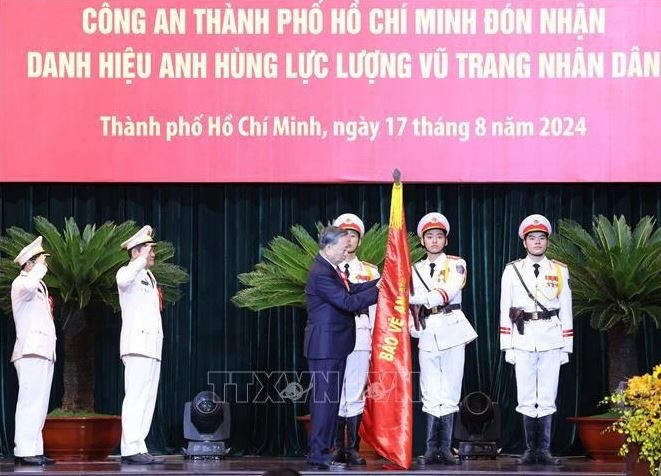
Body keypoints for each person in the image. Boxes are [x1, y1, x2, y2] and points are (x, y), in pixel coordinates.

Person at [499, 214, 573, 466]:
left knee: (548, 395)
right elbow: (504, 307)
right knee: (526, 395)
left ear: (547, 242)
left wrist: (567, 346)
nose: (537, 242)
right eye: (532, 238)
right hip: (522, 337)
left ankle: (545, 451)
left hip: (551, 337)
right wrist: (506, 344)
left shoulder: (559, 270)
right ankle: (530, 450)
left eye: (541, 238)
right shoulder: (512, 270)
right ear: (524, 243)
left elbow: (566, 308)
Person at [304, 225, 379, 470]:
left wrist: (380, 283)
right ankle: (318, 453)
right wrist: (379, 291)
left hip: (333, 346)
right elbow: (347, 301)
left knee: (330, 402)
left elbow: (352, 289)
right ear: (328, 246)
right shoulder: (321, 272)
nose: (345, 250)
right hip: (326, 347)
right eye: (341, 246)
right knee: (325, 403)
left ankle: (322, 451)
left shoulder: (331, 269)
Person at [409, 213, 477, 465]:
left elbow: (448, 291)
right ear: (422, 241)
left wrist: (417, 300)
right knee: (429, 390)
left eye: (439, 236)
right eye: (430, 236)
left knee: (449, 390)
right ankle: (430, 449)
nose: (434, 241)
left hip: (451, 329)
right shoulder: (414, 268)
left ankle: (446, 448)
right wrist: (411, 327)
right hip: (426, 331)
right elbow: (408, 306)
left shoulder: (457, 264)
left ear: (446, 240)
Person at [331, 214, 380, 466]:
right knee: (336, 393)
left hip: (361, 334)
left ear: (359, 240)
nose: (348, 240)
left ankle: (352, 448)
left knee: (355, 392)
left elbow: (376, 308)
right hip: (334, 338)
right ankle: (338, 447)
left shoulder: (370, 271)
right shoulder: (328, 268)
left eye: (353, 235)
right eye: (344, 235)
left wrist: (375, 340)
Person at [116, 225, 165, 465]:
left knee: (147, 398)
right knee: (135, 397)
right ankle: (130, 447)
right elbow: (124, 280)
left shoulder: (148, 277)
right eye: (149, 250)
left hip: (151, 346)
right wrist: (138, 259)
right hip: (136, 344)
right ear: (136, 252)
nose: (153, 254)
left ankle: (139, 445)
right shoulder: (127, 272)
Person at [10, 236, 56, 466]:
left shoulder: (36, 284)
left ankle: (34, 449)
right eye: (40, 260)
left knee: (39, 404)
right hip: (30, 351)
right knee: (29, 402)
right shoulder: (22, 282)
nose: (45, 265)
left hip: (43, 351)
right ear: (30, 263)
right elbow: (28, 286)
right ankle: (24, 450)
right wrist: (38, 269)